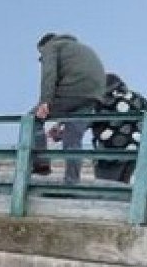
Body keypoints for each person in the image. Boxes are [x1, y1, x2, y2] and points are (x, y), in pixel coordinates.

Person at [32, 33, 106, 184]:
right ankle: (72, 182)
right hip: (93, 96)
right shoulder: (80, 48)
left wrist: (44, 102)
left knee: (32, 121)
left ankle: (41, 164)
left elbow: (49, 75)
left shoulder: (51, 47)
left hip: (72, 90)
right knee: (73, 139)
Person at [92, 73, 147, 184]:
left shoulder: (104, 101)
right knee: (123, 185)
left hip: (110, 153)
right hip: (134, 149)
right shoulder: (135, 97)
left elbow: (87, 120)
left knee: (106, 187)